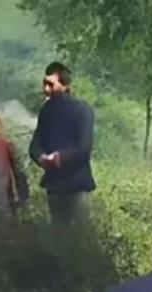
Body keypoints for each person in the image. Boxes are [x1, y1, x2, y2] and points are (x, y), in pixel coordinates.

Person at [29, 61, 95, 225]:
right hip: (54, 185)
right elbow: (35, 144)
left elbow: (84, 147)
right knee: (59, 233)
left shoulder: (82, 110)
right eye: (44, 83)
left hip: (77, 184)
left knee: (80, 234)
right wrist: (41, 158)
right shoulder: (46, 111)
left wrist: (60, 158)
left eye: (51, 84)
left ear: (65, 85)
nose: (46, 89)